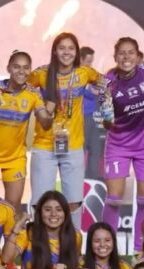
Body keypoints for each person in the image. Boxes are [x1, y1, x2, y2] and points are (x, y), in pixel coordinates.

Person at [28, 32, 102, 228]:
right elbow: (19, 83)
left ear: (76, 52)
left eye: (71, 48)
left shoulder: (84, 73)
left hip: (73, 146)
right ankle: (41, 245)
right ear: (54, 51)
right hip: (44, 146)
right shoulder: (41, 74)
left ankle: (73, 245)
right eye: (62, 48)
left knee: (74, 204)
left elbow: (105, 81)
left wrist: (109, 99)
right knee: (41, 205)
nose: (66, 52)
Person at [101, 37, 144, 251]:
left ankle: (139, 250)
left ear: (138, 56)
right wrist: (107, 114)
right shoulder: (107, 83)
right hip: (119, 145)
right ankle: (107, 250)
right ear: (115, 57)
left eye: (130, 52)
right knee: (114, 199)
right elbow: (106, 123)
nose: (126, 57)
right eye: (122, 53)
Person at [0, 50, 55, 211]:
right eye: (17, 67)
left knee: (13, 208)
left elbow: (46, 124)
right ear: (8, 68)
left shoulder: (33, 94)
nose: (21, 71)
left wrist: (50, 111)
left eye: (26, 68)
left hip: (15, 158)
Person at [1, 191, 81, 269]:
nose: (53, 214)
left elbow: (74, 268)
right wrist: (16, 229)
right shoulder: (28, 233)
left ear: (65, 213)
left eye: (59, 209)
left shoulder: (75, 236)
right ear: (39, 213)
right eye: (48, 210)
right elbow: (6, 259)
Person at [80, 46, 107, 181]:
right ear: (80, 59)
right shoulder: (75, 76)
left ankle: (94, 178)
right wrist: (95, 91)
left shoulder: (92, 74)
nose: (90, 65)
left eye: (91, 62)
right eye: (88, 62)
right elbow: (91, 91)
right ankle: (79, 178)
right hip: (82, 117)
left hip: (95, 117)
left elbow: (103, 87)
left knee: (96, 149)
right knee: (82, 149)